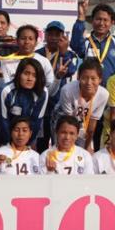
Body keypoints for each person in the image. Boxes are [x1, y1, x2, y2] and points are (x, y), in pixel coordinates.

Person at [35, 20, 77, 151]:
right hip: (40, 104)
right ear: (45, 35)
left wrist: (64, 53)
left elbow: (71, 70)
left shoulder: (69, 54)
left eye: (57, 35)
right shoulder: (37, 54)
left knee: (57, 143)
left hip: (58, 106)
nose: (54, 38)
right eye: (51, 34)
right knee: (40, 143)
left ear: (64, 37)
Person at [70, 0, 115, 84]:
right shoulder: (86, 43)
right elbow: (75, 44)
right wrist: (81, 17)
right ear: (92, 21)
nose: (101, 23)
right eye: (98, 19)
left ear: (112, 22)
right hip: (90, 91)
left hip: (113, 92)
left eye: (105, 20)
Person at [55, 58, 109, 153]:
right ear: (78, 77)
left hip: (84, 123)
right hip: (63, 117)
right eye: (84, 78)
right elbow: (68, 123)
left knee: (83, 151)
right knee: (64, 148)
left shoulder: (104, 94)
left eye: (93, 78)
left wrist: (87, 146)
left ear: (100, 79)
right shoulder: (67, 90)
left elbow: (92, 124)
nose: (89, 83)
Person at [0, 58, 48, 149]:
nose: (30, 79)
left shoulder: (43, 92)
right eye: (26, 74)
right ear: (19, 74)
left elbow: (37, 121)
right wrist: (9, 145)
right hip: (6, 138)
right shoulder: (6, 91)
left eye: (34, 75)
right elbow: (3, 121)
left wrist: (27, 144)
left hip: (28, 138)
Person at [0, 25, 56, 92]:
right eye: (23, 38)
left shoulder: (44, 61)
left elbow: (50, 91)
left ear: (36, 42)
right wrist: (0, 77)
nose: (27, 42)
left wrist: (58, 78)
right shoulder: (6, 62)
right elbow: (5, 90)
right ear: (17, 41)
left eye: (31, 39)